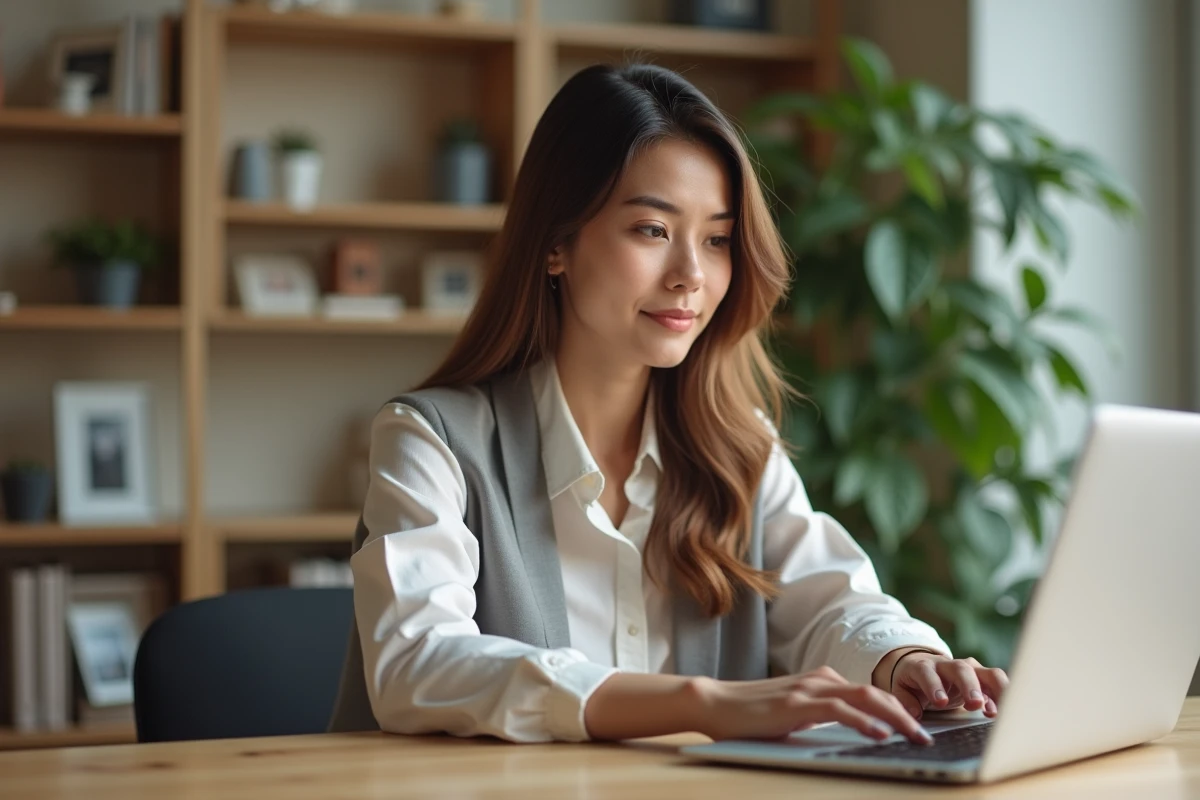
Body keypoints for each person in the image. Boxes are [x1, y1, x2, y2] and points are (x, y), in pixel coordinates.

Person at [328, 63, 1008, 745]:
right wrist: (700, 704)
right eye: (653, 230)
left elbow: (831, 600)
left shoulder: (737, 445)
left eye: (717, 239)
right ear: (557, 244)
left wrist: (904, 660)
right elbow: (416, 662)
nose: (691, 275)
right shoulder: (431, 440)